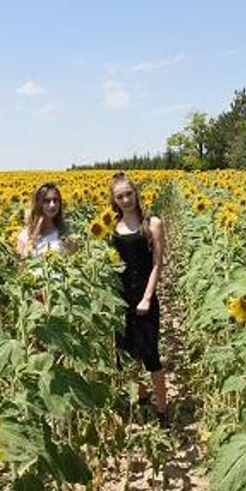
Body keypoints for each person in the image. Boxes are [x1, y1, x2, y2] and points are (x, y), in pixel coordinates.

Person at [108, 172, 168, 426]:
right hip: (120, 298)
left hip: (145, 298)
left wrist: (147, 297)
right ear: (114, 200)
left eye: (128, 194)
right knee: (126, 354)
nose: (125, 200)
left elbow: (157, 263)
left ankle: (163, 410)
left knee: (151, 355)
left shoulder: (152, 223)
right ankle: (142, 400)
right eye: (120, 196)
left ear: (136, 193)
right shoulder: (112, 227)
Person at [16, 182, 72, 259]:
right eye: (47, 201)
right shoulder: (24, 235)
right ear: (38, 204)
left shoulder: (65, 231)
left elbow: (76, 258)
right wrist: (34, 236)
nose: (52, 205)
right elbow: (21, 263)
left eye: (55, 200)